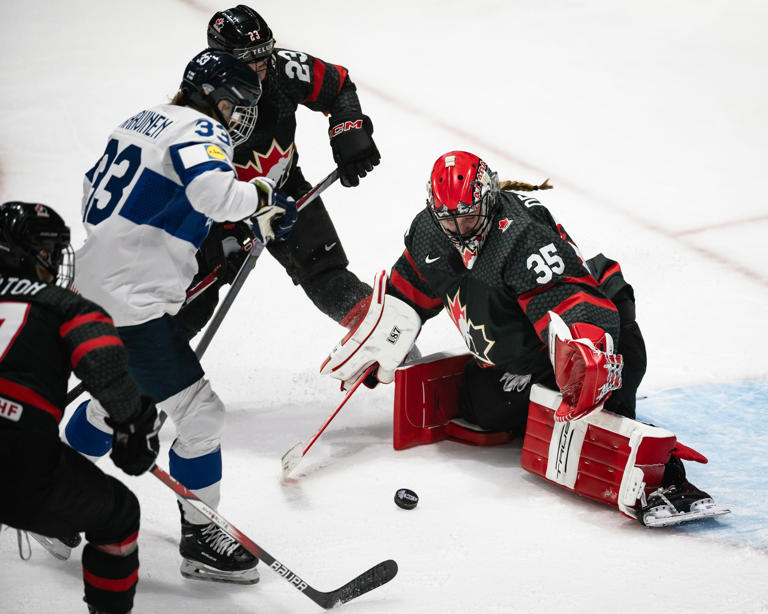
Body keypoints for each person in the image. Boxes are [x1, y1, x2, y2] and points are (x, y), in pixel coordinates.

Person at [320, 150, 722, 526]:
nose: (459, 230)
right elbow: (408, 292)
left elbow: (570, 302)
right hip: (525, 358)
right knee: (486, 413)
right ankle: (540, 397)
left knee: (593, 405)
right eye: (449, 220)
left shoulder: (522, 237)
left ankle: (665, 475)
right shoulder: (430, 232)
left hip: (600, 338)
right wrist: (382, 339)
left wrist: (584, 358)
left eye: (469, 217)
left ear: (490, 201)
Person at [62, 49, 297, 585]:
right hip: (132, 307)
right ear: (214, 96)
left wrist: (244, 227)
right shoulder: (201, 128)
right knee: (200, 416)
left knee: (122, 402)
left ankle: (53, 501)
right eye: (237, 105)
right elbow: (213, 193)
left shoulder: (143, 120)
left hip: (93, 287)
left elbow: (109, 196)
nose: (238, 118)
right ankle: (203, 541)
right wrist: (265, 196)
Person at [174, 4, 381, 340]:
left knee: (330, 279)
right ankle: (142, 380)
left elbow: (338, 85)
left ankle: (395, 350)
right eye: (247, 59)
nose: (260, 67)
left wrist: (348, 127)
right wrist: (222, 230)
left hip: (285, 190)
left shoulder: (282, 68)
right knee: (192, 303)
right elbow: (187, 179)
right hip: (218, 210)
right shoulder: (203, 99)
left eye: (263, 55)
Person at [0, 201, 159, 614]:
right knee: (119, 514)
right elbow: (102, 362)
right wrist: (132, 424)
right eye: (49, 252)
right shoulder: (62, 304)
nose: (54, 264)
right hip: (16, 460)